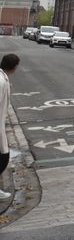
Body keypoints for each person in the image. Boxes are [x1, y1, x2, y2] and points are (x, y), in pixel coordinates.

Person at [0, 53, 19, 201]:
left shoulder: (3, 78)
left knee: (3, 156)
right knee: (3, 157)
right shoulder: (1, 80)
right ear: (13, 67)